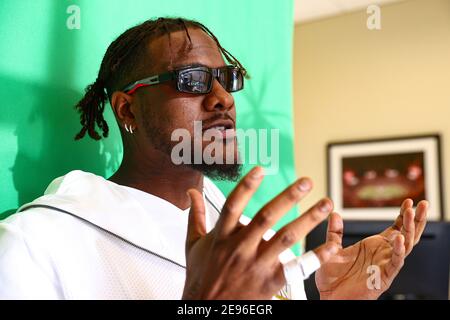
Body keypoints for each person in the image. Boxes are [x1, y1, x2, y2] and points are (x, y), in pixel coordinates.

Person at [0, 17, 428, 300]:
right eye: (192, 80)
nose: (222, 99)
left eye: (226, 80)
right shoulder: (34, 244)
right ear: (127, 110)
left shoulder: (258, 247)